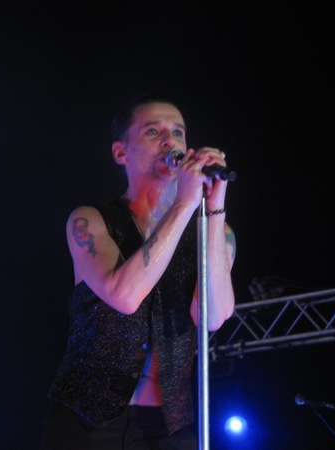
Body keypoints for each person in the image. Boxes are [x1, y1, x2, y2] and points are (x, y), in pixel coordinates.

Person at [39, 92, 236, 449]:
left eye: (178, 132)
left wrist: (215, 207)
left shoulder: (214, 232)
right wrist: (184, 204)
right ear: (121, 152)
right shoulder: (90, 220)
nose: (170, 141)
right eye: (153, 131)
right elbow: (124, 296)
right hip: (87, 420)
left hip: (167, 426)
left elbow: (213, 316)